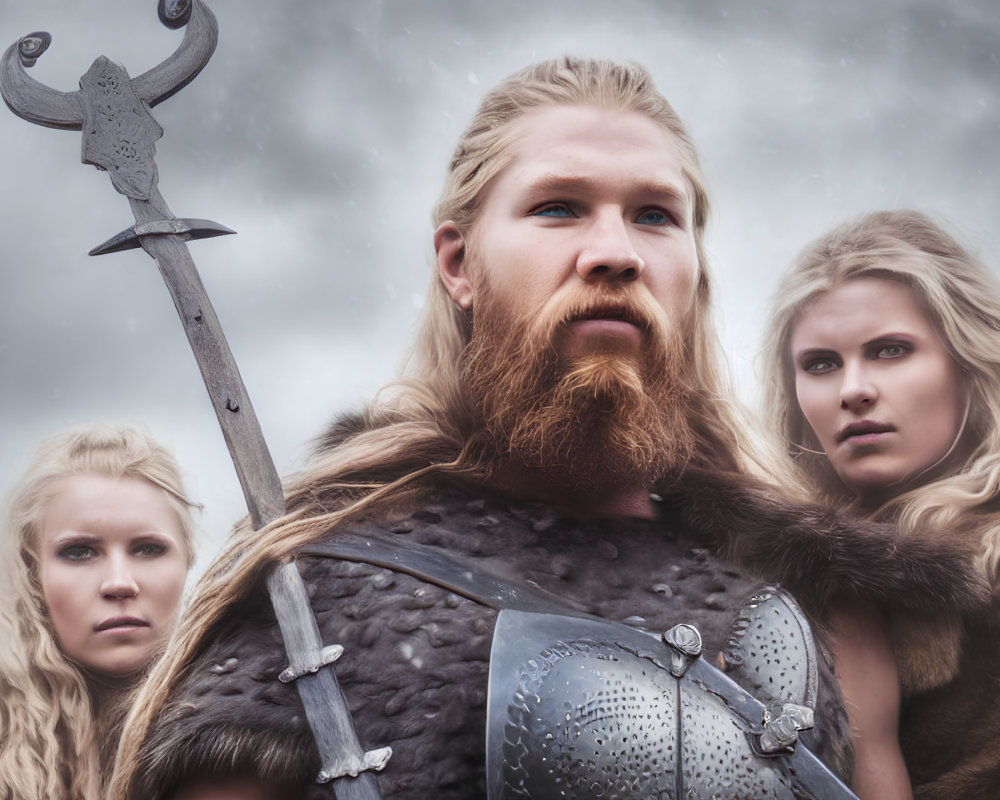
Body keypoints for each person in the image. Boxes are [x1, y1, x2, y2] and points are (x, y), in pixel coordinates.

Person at [110, 61, 984, 800]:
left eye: (654, 215)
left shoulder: (809, 594)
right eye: (559, 208)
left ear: (692, 273)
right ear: (459, 264)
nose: (615, 251)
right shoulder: (319, 592)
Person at [759, 208, 1000, 799]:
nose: (853, 390)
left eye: (890, 351)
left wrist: (869, 736)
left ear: (966, 365)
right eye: (820, 364)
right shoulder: (771, 573)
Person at [0, 422, 198, 800]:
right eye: (79, 551)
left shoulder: (261, 743)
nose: (119, 583)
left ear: (187, 560)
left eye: (147, 549)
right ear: (32, 573)